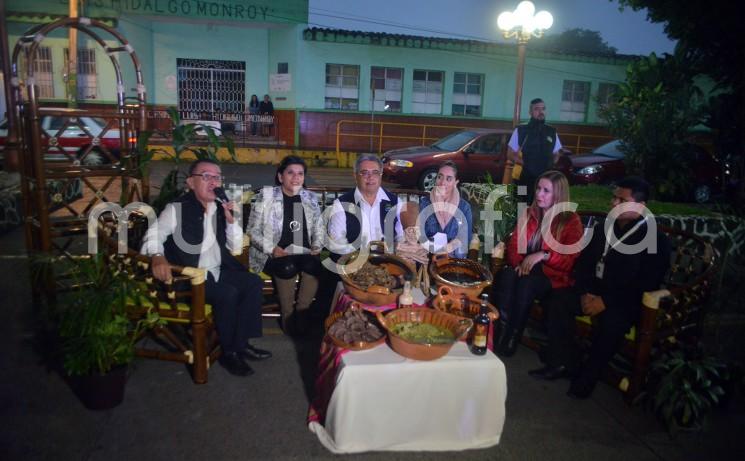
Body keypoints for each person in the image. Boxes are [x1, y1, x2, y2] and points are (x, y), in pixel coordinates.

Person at [530, 177, 671, 400]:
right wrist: (586, 292)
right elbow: (584, 265)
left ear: (640, 206)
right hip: (592, 292)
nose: (614, 203)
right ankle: (561, 363)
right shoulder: (603, 228)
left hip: (623, 301)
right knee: (558, 300)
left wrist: (605, 301)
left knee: (611, 323)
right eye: (614, 198)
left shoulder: (655, 239)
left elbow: (645, 283)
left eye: (621, 200)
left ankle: (586, 378)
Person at [141, 159, 270, 377]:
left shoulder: (220, 208)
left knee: (252, 283)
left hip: (217, 270)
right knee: (227, 294)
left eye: (217, 177)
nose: (213, 181)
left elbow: (236, 247)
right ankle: (230, 353)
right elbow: (154, 235)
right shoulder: (176, 209)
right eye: (206, 176)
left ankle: (241, 343)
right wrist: (156, 256)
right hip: (189, 277)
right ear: (191, 182)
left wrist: (231, 221)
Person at [493, 170, 583, 357]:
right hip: (525, 269)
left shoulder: (570, 221)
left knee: (526, 284)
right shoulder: (529, 213)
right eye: (538, 188)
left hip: (552, 276)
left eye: (546, 191)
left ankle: (512, 337)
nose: (539, 194)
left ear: (558, 194)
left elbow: (569, 261)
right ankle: (500, 332)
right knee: (508, 275)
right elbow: (514, 245)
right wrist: (520, 263)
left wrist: (544, 255)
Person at [247, 156, 324, 335]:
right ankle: (287, 316)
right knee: (287, 267)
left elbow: (319, 228)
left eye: (300, 174)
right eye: (290, 173)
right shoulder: (266, 197)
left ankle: (302, 314)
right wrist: (272, 249)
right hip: (274, 253)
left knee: (313, 266)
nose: (296, 178)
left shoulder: (310, 198)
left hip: (304, 252)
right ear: (281, 177)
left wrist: (317, 245)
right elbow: (252, 231)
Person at [327, 154, 404, 260]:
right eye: (364, 173)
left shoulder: (396, 202)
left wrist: (397, 250)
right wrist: (362, 260)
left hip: (387, 262)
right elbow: (337, 242)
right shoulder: (340, 204)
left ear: (381, 175)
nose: (370, 177)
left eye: (375, 172)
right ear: (355, 176)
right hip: (351, 262)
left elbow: (401, 236)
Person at [507, 98, 563, 204]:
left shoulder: (551, 131)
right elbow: (510, 154)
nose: (541, 112)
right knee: (521, 206)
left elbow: (557, 153)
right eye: (537, 109)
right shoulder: (521, 130)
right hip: (523, 181)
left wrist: (548, 165)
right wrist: (528, 165)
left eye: (543, 109)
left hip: (545, 180)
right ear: (530, 112)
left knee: (542, 206)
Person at [418, 160, 472, 257]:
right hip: (429, 256)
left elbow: (465, 239)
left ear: (456, 182)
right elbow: (420, 235)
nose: (442, 182)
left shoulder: (464, 207)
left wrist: (449, 248)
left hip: (453, 260)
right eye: (440, 177)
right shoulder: (425, 203)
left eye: (449, 179)